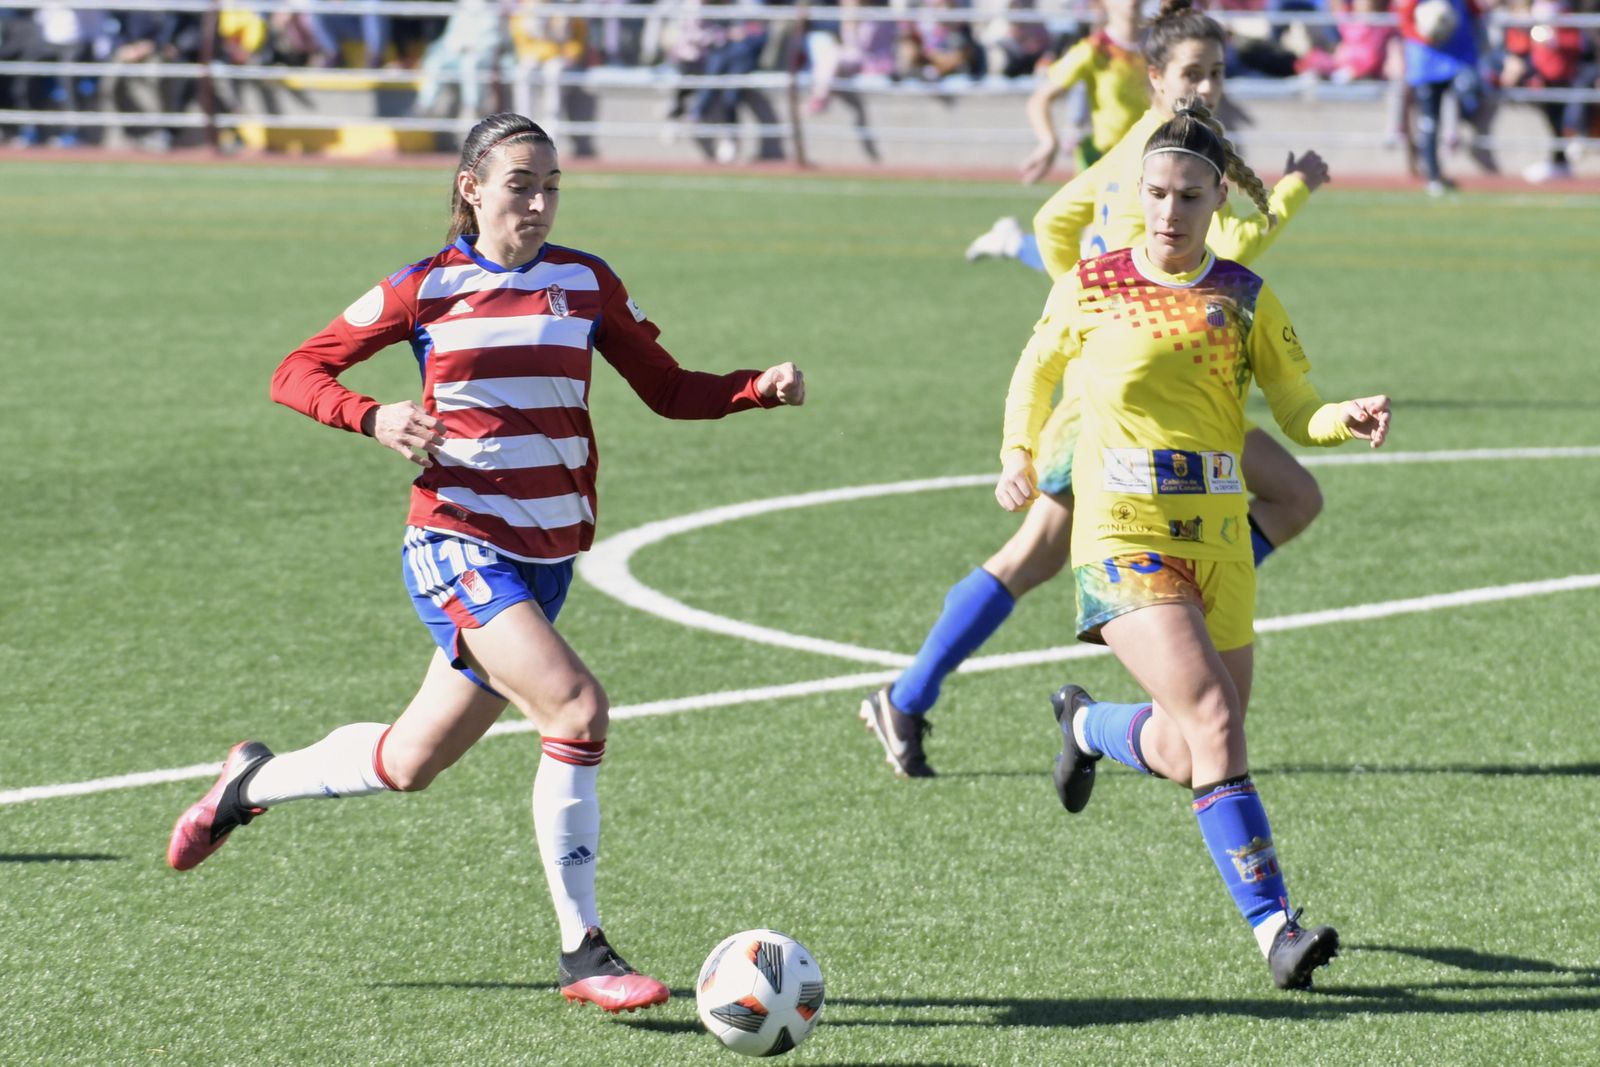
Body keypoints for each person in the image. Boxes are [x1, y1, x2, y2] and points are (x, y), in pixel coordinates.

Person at [165, 113, 807, 1014]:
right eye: (521, 184)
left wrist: (753, 390)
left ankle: (248, 782)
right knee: (577, 708)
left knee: (409, 760)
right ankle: (583, 951)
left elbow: (666, 390)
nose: (540, 202)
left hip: (548, 557)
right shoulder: (424, 288)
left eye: (552, 185)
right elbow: (296, 369)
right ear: (472, 186)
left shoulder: (585, 282)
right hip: (457, 539)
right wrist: (374, 416)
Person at [865, 0, 1328, 779]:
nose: (1208, 87)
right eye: (1192, 73)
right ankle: (912, 696)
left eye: (1217, 72)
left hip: (1174, 393)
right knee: (1029, 555)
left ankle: (1158, 607)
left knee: (1294, 495)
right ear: (1155, 80)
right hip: (1116, 409)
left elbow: (1052, 221)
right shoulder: (1163, 162)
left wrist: (1095, 305)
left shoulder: (1145, 152)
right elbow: (1236, 245)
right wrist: (1294, 191)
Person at [1006, 97, 1389, 989]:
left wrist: (1345, 416)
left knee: (1192, 749)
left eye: (1187, 196)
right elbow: (1035, 371)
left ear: (1219, 198)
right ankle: (1276, 930)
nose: (1167, 213)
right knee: (1217, 722)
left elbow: (1298, 408)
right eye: (1155, 194)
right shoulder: (1094, 284)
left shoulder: (1244, 297)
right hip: (1122, 535)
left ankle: (1088, 725)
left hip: (1218, 545)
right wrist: (1016, 453)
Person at [1394, 0, 1498, 196]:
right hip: (1426, 62)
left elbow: (1476, 13)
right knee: (1429, 121)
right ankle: (1433, 176)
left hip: (1460, 59)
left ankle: (1458, 129)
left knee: (1470, 90)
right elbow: (1405, 22)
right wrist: (1428, 35)